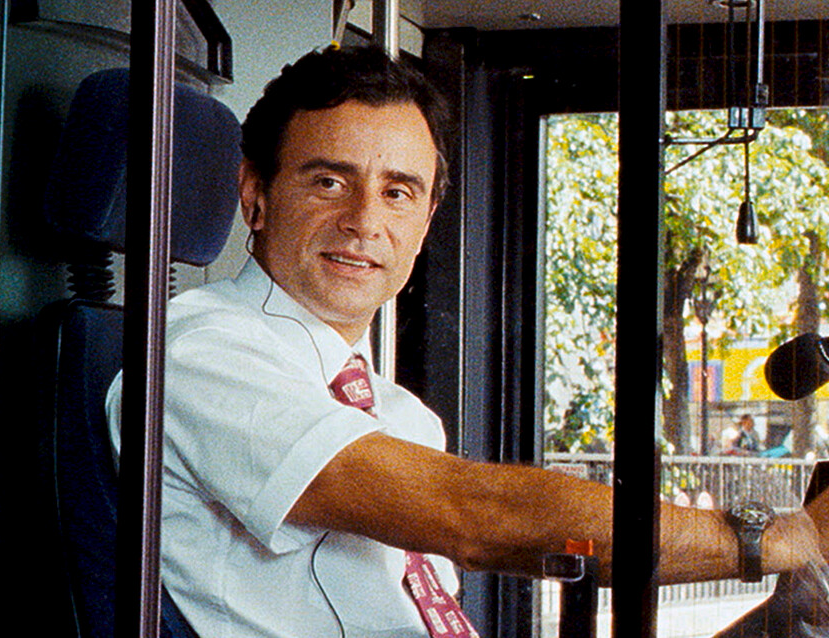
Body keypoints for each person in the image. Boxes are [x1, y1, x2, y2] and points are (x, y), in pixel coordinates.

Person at [108, 46, 828, 638]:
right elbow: (478, 518)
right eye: (328, 181)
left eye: (398, 192)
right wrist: (783, 537)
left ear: (425, 221)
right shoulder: (196, 353)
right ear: (255, 195)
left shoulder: (400, 417)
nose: (365, 221)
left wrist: (789, 593)